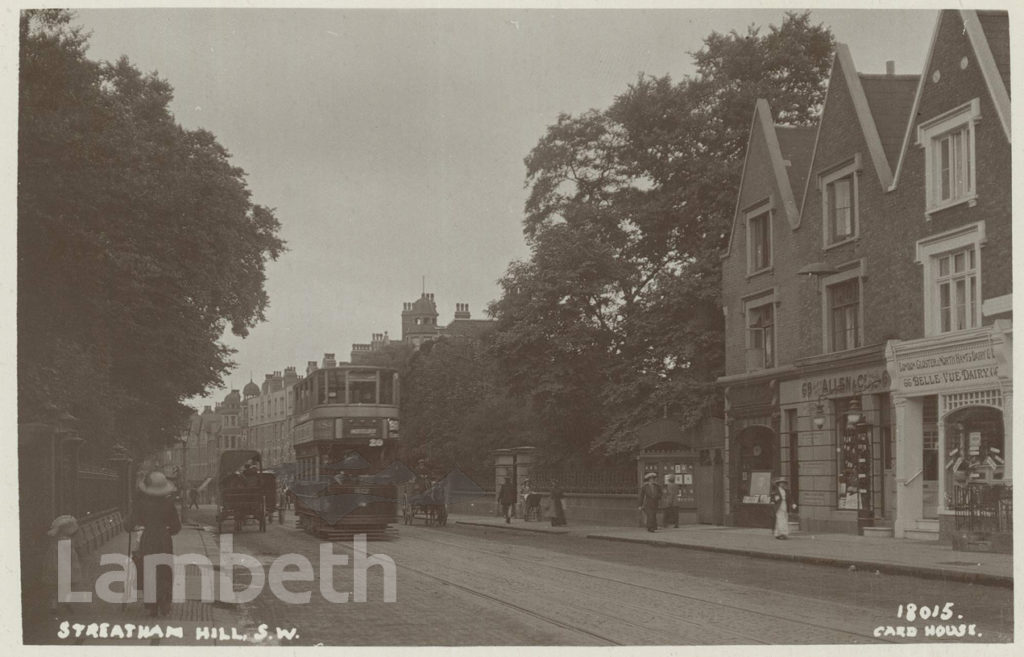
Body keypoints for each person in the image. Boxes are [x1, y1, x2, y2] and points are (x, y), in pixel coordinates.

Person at [129, 471, 182, 617]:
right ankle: (164, 599)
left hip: (148, 539)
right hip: (164, 539)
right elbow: (176, 526)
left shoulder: (142, 504)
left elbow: (129, 523)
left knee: (149, 569)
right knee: (164, 568)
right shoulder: (169, 504)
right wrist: (168, 531)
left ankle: (152, 605)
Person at [41, 515, 82, 615]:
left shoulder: (55, 539)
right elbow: (75, 550)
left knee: (54, 582)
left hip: (55, 562)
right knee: (66, 581)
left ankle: (53, 604)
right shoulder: (69, 540)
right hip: (66, 562)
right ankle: (66, 601)